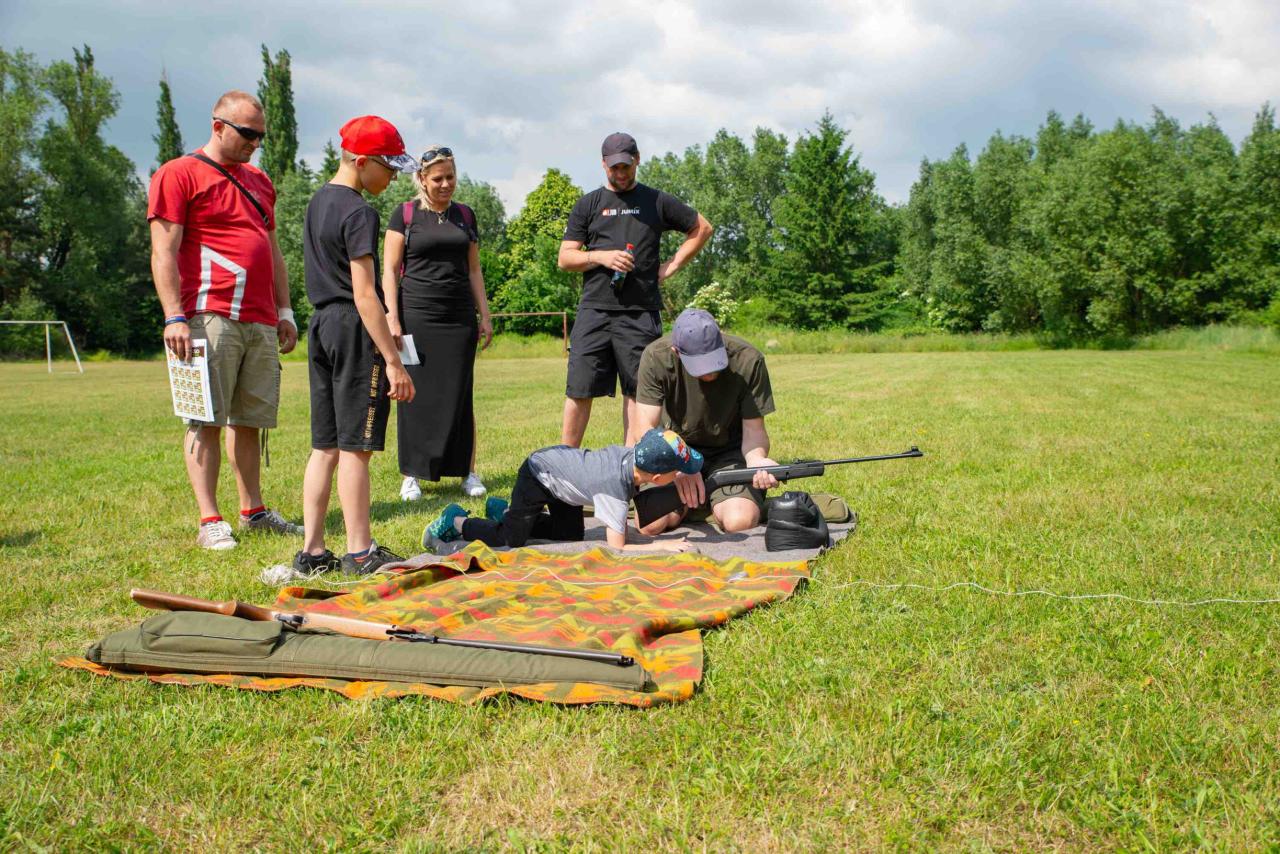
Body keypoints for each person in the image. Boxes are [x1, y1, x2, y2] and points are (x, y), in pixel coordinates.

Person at [148, 89, 301, 551]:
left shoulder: (260, 181)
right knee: (205, 419)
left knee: (250, 420)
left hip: (259, 319)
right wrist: (174, 316)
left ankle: (254, 511)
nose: (256, 143)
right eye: (248, 133)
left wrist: (284, 310)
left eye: (261, 136)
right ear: (218, 126)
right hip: (207, 315)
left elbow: (272, 250)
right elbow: (164, 250)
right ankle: (209, 519)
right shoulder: (178, 173)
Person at [291, 116, 419, 577]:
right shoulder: (359, 211)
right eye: (389, 167)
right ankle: (361, 551)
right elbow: (366, 293)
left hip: (321, 324)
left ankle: (312, 551)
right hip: (351, 326)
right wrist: (393, 361)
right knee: (354, 448)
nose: (393, 177)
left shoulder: (316, 202)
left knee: (324, 446)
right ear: (361, 161)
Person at [557, 132, 713, 448]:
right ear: (603, 164)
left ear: (637, 160)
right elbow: (565, 258)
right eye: (614, 167)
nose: (621, 173)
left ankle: (630, 467)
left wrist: (671, 266)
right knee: (579, 389)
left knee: (637, 392)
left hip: (640, 313)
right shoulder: (588, 204)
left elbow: (702, 227)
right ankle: (563, 462)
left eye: (626, 166)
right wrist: (600, 256)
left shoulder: (656, 201)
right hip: (594, 311)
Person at [384, 145, 493, 503]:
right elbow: (389, 270)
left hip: (459, 319)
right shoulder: (405, 215)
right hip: (417, 316)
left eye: (450, 177)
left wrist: (485, 314)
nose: (446, 184)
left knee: (461, 395)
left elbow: (474, 270)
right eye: (438, 179)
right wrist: (392, 317)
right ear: (422, 179)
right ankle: (412, 475)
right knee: (415, 395)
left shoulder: (466, 215)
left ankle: (467, 471)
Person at [422, 428, 700, 553]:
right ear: (658, 477)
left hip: (563, 479)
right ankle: (457, 521)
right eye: (677, 472)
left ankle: (506, 511)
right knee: (510, 538)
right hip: (538, 474)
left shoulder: (633, 457)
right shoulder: (613, 486)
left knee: (570, 534)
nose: (680, 476)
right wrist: (661, 545)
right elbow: (618, 547)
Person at [633, 308, 781, 534]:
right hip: (673, 450)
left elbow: (754, 433)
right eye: (700, 364)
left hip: (728, 455)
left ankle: (708, 502)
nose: (710, 371)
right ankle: (702, 501)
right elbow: (644, 430)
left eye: (714, 359)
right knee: (651, 526)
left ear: (721, 337)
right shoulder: (656, 357)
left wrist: (757, 461)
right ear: (676, 351)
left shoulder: (749, 360)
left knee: (739, 522)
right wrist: (680, 465)